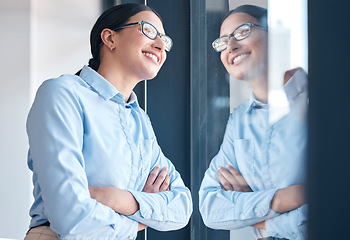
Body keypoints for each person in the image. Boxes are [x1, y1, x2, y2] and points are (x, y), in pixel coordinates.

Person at [25, 3, 192, 240]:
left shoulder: (140, 120)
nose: (160, 45)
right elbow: (70, 216)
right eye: (148, 31)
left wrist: (119, 199)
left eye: (164, 39)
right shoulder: (62, 94)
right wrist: (139, 221)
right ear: (109, 38)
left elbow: (182, 207)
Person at [199, 5, 307, 240]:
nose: (230, 46)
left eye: (242, 32)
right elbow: (211, 207)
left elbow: (336, 199)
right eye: (222, 42)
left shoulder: (319, 99)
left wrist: (258, 213)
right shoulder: (239, 121)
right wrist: (284, 198)